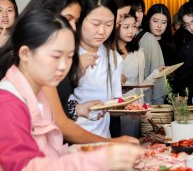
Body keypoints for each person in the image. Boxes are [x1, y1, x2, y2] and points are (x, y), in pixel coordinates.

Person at [0, 10, 141, 171]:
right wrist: (99, 159)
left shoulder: (39, 92)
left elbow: (48, 152)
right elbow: (23, 167)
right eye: (55, 56)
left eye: (69, 57)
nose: (63, 66)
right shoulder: (7, 101)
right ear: (25, 54)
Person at [20, 0, 137, 144]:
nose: (72, 28)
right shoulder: (45, 56)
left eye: (110, 24)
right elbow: (56, 118)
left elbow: (56, 111)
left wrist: (129, 109)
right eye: (68, 19)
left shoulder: (112, 56)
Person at [67, 0, 123, 138]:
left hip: (102, 141)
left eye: (109, 24)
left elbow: (115, 103)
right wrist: (77, 71)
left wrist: (134, 110)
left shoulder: (114, 58)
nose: (102, 31)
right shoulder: (65, 54)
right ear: (79, 20)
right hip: (71, 142)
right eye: (95, 23)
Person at [130, 0, 166, 104]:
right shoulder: (114, 40)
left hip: (145, 104)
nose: (138, 15)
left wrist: (157, 106)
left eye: (141, 11)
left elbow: (159, 75)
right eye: (135, 11)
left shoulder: (149, 40)